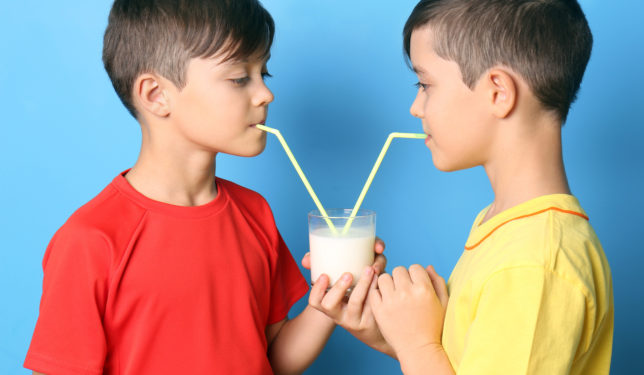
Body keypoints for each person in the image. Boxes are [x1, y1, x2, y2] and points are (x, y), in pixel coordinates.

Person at [23, 1, 386, 374]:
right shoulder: (91, 240)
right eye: (240, 78)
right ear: (155, 95)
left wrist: (330, 299)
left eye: (264, 73)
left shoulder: (254, 213)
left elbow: (272, 359)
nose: (265, 94)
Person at [366, 0, 614, 373]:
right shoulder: (506, 226)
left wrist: (417, 344)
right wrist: (390, 333)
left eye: (425, 84)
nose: (416, 107)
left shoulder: (533, 265)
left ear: (498, 92)